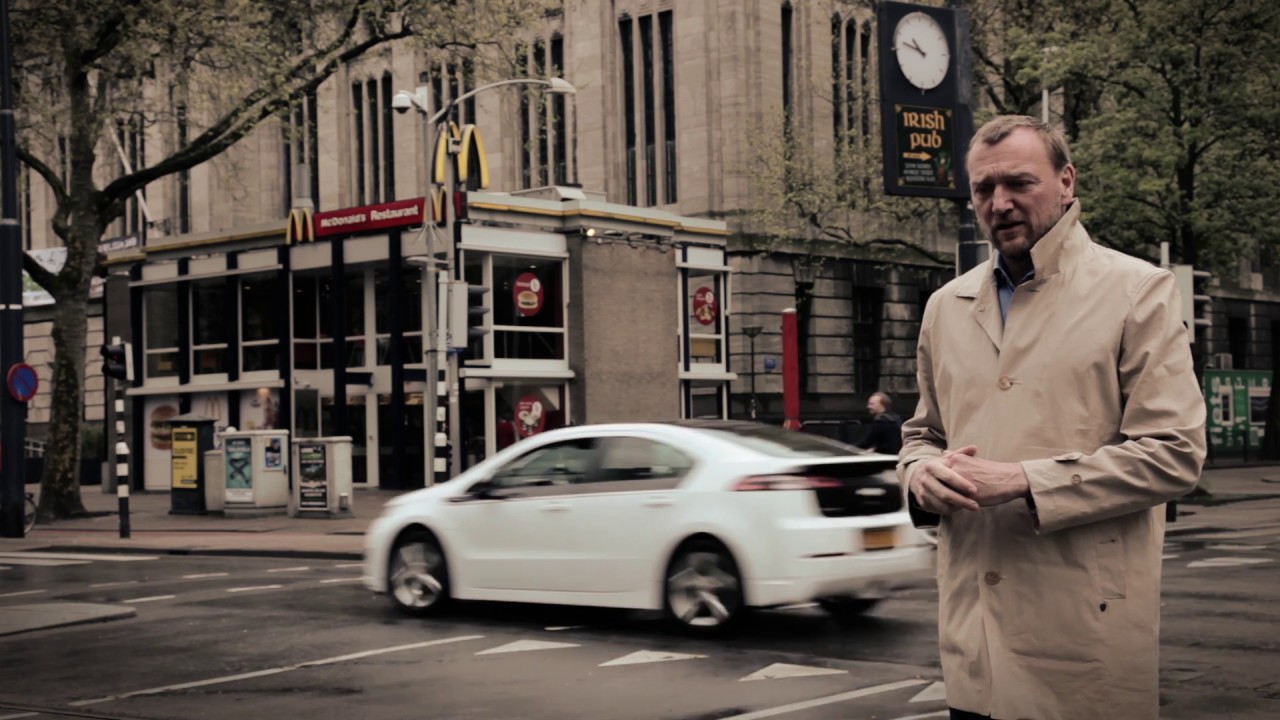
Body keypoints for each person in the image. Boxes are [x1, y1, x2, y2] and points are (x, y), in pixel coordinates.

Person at [898, 115, 1206, 720]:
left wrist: (1024, 481)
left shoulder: (1137, 291)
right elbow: (922, 435)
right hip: (972, 643)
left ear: (1066, 181)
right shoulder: (945, 307)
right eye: (984, 189)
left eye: (1019, 182)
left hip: (1083, 642)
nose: (1000, 202)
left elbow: (1175, 454)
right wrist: (918, 474)